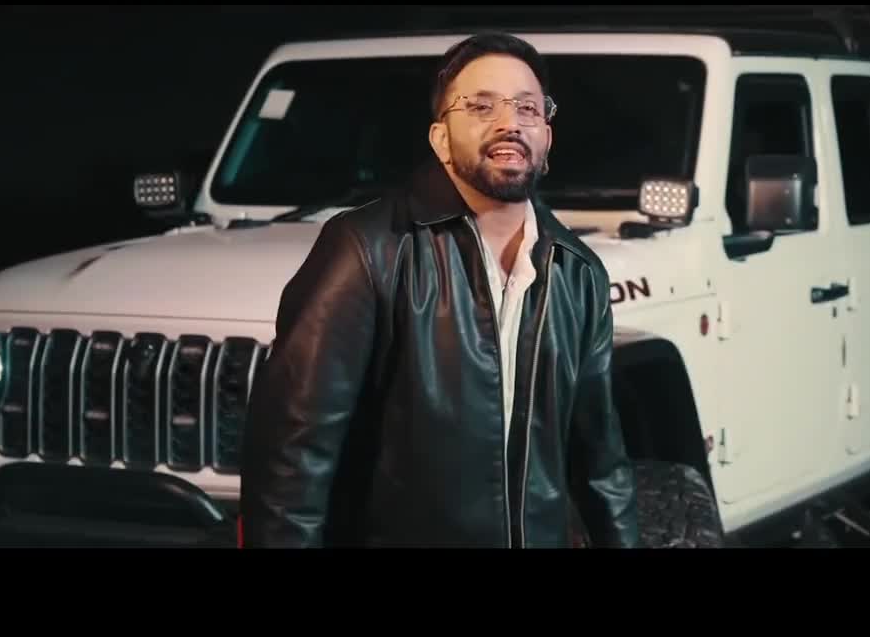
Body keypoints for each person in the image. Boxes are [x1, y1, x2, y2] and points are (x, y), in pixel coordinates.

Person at [238, 32, 641, 548]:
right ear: (440, 138)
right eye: (480, 106)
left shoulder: (578, 272)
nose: (508, 122)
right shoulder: (367, 248)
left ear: (546, 137)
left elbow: (602, 462)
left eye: (527, 108)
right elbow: (292, 457)